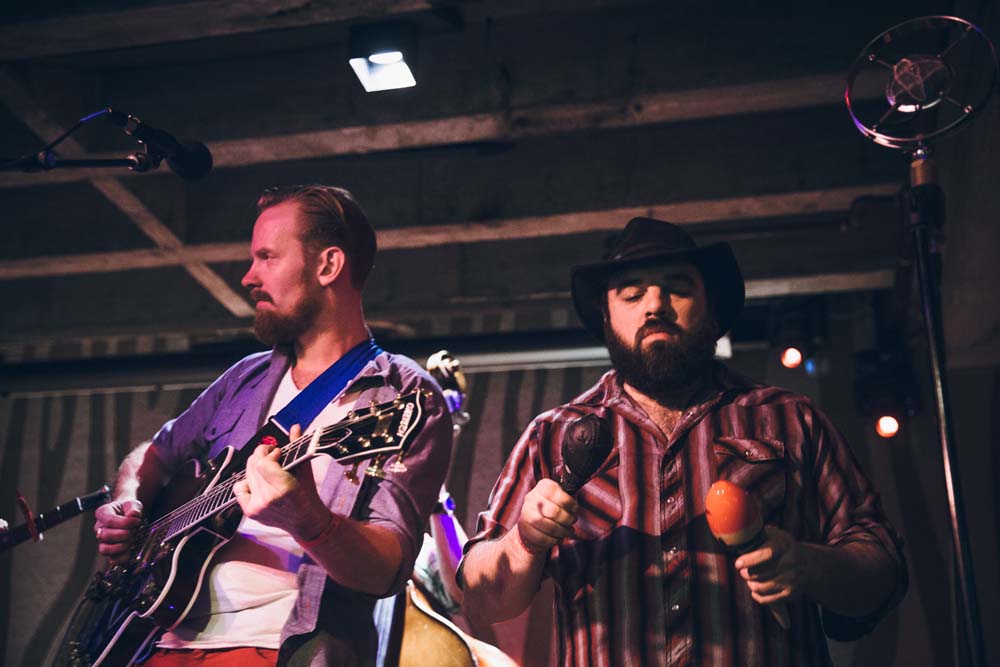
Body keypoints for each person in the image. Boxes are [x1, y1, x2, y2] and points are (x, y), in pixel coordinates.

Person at [458, 218, 907, 666]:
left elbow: (882, 568)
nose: (654, 305)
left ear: (712, 310)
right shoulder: (551, 435)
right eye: (632, 294)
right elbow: (481, 599)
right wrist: (524, 541)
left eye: (678, 288)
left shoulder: (790, 418)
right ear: (606, 315)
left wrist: (808, 565)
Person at [92, 185, 453, 667]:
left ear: (328, 266)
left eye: (266, 257)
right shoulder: (246, 377)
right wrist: (128, 498)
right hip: (150, 638)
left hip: (273, 648)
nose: (248, 277)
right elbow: (154, 454)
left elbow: (386, 570)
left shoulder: (405, 397)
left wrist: (310, 520)